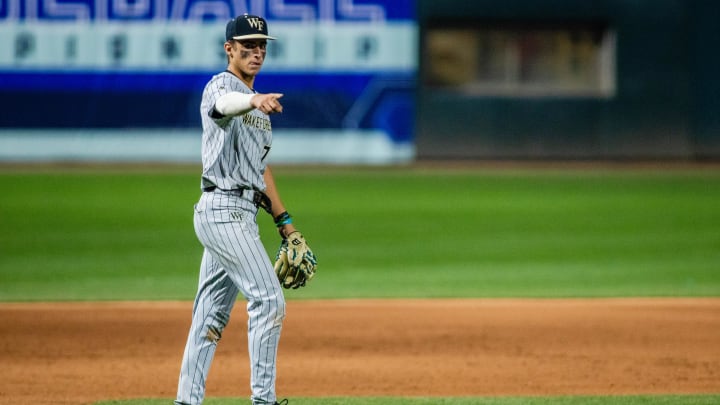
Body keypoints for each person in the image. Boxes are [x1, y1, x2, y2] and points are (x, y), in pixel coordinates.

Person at [175, 14, 314, 405]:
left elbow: (260, 170)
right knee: (269, 300)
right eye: (247, 45)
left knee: (210, 315)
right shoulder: (222, 86)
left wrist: (285, 223)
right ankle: (264, 401)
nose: (256, 51)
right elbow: (225, 104)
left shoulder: (259, 112)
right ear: (229, 48)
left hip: (242, 213)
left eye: (261, 45)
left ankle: (186, 400)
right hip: (222, 209)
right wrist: (252, 99)